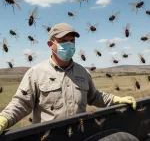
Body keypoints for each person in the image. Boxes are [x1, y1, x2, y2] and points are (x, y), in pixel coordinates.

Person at [0, 22, 136, 135]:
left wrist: (116, 99)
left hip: (80, 135)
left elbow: (95, 96)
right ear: (50, 44)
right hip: (49, 137)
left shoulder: (82, 72)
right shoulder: (36, 73)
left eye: (72, 41)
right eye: (63, 41)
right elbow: (21, 104)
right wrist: (3, 119)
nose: (69, 45)